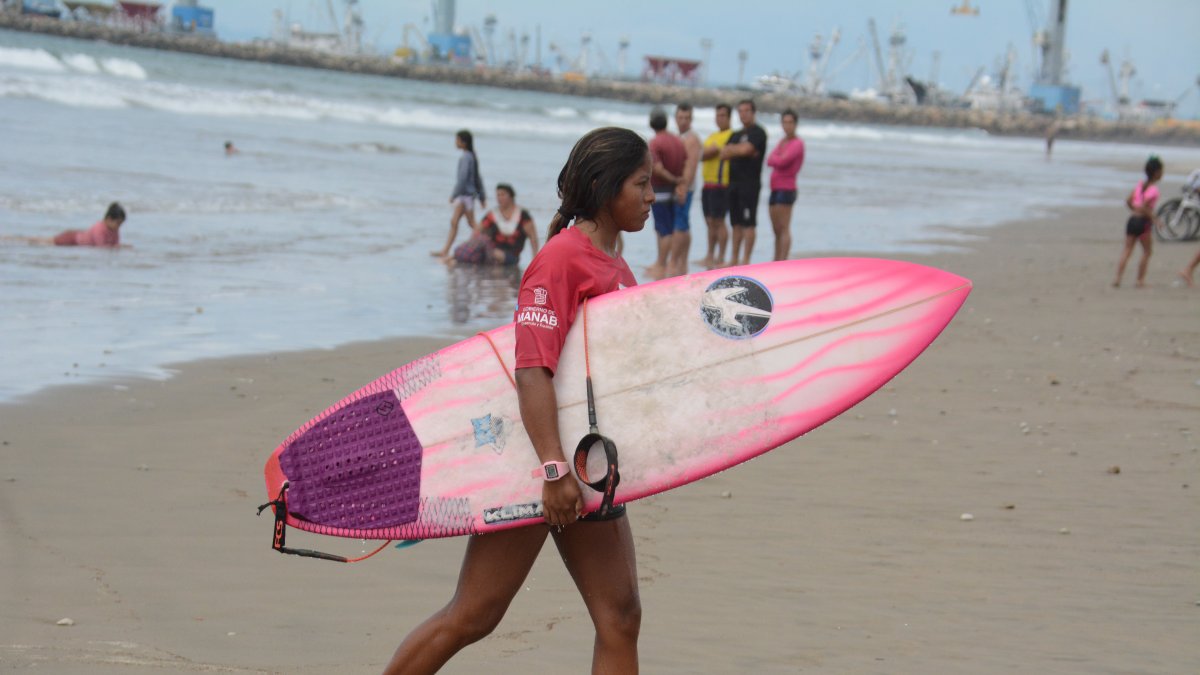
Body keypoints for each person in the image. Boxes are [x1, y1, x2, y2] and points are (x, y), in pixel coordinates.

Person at [382, 127, 649, 674]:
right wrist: (552, 470)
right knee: (475, 614)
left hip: (591, 464)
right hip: (538, 463)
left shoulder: (614, 264)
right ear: (605, 186)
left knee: (619, 617)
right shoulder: (561, 259)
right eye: (642, 184)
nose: (652, 197)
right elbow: (531, 369)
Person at [720, 99, 767, 266]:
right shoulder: (735, 134)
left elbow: (747, 149)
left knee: (749, 223)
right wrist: (740, 150)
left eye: (747, 110)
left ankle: (746, 259)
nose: (743, 114)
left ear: (753, 112)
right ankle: (734, 258)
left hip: (750, 184)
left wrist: (739, 150)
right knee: (735, 223)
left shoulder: (759, 133)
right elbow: (724, 153)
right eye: (740, 111)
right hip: (733, 183)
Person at [449, 183, 540, 266]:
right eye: (498, 195)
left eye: (503, 194)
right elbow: (477, 231)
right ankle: (456, 258)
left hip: (511, 255)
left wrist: (534, 261)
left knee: (488, 251)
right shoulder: (492, 214)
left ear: (511, 196)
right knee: (480, 240)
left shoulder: (523, 216)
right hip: (490, 250)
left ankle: (455, 258)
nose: (499, 198)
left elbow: (533, 239)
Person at [645, 107, 687, 280]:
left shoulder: (655, 142)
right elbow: (684, 161)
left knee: (664, 229)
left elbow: (658, 169)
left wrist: (673, 180)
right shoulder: (677, 140)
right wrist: (678, 181)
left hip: (662, 189)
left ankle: (661, 264)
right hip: (672, 190)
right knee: (665, 227)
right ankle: (660, 261)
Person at [432, 129, 486, 258]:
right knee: (456, 222)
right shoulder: (472, 156)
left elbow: (462, 179)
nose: (455, 142)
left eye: (457, 140)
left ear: (463, 142)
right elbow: (478, 178)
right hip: (467, 195)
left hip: (465, 196)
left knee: (470, 223)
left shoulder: (466, 157)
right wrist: (481, 196)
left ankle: (487, 242)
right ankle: (445, 250)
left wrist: (454, 195)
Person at [1113, 156, 1163, 288]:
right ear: (1157, 172)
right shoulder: (1153, 189)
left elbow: (1129, 201)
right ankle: (1140, 280)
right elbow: (1145, 207)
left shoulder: (1140, 185)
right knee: (1147, 251)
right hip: (1143, 222)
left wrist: (1134, 209)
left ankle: (1118, 278)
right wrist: (1155, 219)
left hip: (1132, 220)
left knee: (1127, 250)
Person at [765, 109, 805, 262]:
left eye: (790, 122)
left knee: (784, 227)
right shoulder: (783, 141)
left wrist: (778, 158)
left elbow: (782, 161)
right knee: (776, 229)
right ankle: (776, 258)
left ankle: (783, 259)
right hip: (775, 187)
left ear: (795, 124)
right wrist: (778, 158)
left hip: (787, 187)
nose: (787, 126)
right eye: (784, 122)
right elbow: (770, 160)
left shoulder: (797, 143)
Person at [699, 103, 734, 269]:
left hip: (721, 183)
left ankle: (721, 256)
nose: (719, 118)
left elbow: (706, 153)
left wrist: (704, 153)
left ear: (728, 117)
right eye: (717, 115)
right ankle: (710, 255)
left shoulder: (730, 135)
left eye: (722, 115)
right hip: (707, 183)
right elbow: (703, 154)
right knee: (709, 221)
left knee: (719, 221)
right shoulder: (712, 136)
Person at [670, 103, 701, 277]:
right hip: (675, 185)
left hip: (685, 187)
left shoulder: (692, 139)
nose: (683, 121)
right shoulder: (676, 136)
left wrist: (683, 187)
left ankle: (675, 262)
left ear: (691, 119)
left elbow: (691, 166)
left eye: (686, 118)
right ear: (676, 118)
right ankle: (682, 261)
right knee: (682, 223)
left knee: (680, 224)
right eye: (680, 117)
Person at [49, 202, 126, 247]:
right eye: (118, 223)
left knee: (50, 241)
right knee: (49, 242)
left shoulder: (115, 230)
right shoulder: (99, 228)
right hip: (72, 239)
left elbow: (116, 243)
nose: (119, 226)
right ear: (109, 219)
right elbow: (100, 246)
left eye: (120, 224)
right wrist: (117, 248)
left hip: (78, 237)